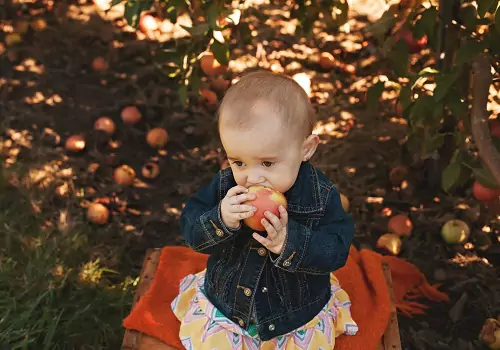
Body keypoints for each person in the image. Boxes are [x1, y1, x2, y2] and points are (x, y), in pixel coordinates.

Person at [171, 70, 358, 349]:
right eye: (239, 162)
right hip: (228, 307)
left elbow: (336, 249)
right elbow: (191, 229)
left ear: (306, 149)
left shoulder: (319, 195)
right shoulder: (226, 188)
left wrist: (289, 242)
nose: (253, 178)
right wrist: (220, 218)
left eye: (268, 164)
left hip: (294, 314)